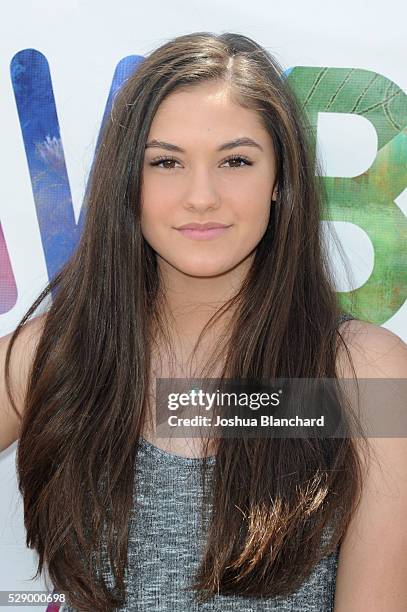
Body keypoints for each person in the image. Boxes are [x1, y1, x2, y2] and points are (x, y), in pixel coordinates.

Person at [0, 31, 406, 612]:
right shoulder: (59, 354)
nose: (201, 196)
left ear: (280, 182)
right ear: (127, 182)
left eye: (235, 161)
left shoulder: (363, 377)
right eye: (166, 162)